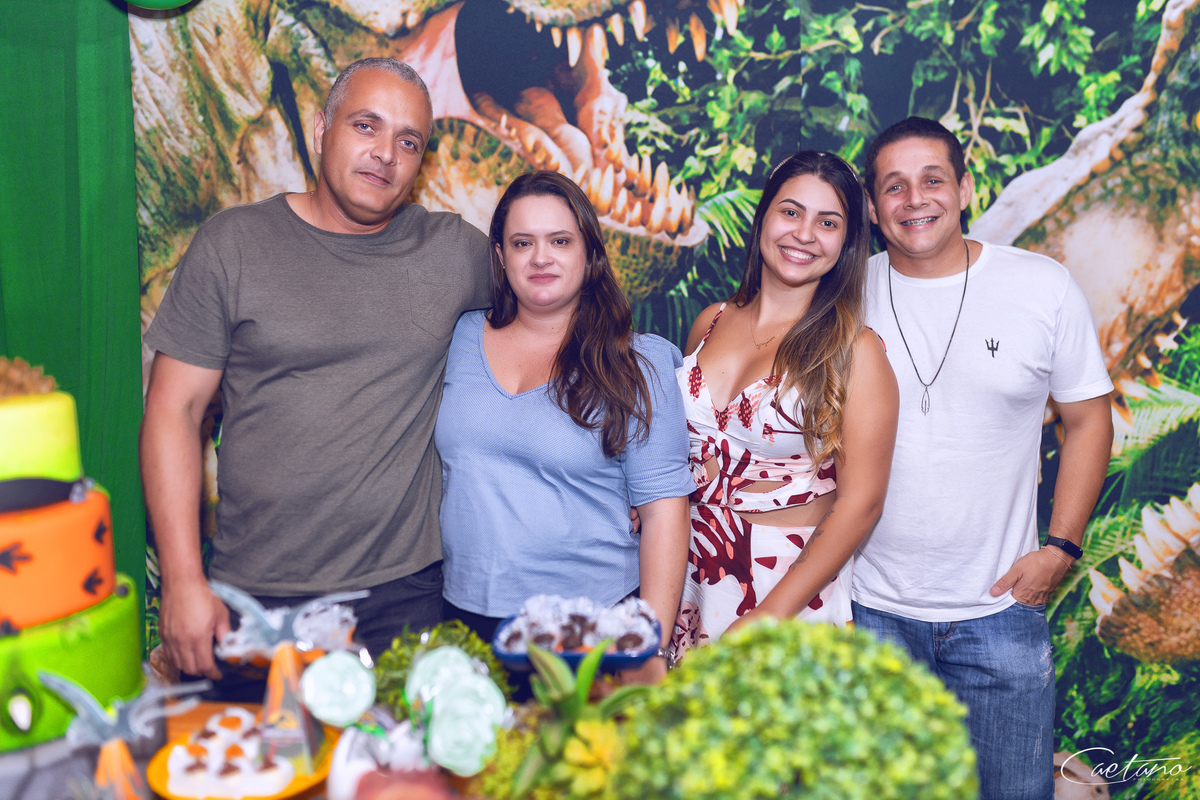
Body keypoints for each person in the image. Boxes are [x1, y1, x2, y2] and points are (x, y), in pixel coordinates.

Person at [139, 58, 491, 689]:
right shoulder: (233, 244)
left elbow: (556, 324)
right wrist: (183, 581)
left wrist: (621, 464)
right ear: (322, 128)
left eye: (409, 141)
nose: (385, 154)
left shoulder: (454, 251)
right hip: (254, 598)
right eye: (366, 125)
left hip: (403, 595)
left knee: (404, 756)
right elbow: (174, 411)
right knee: (259, 757)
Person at [852, 117, 1115, 800]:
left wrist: (1062, 547)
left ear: (965, 188)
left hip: (999, 612)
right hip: (867, 611)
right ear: (873, 207)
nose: (915, 199)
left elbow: (1089, 419)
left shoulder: (1040, 285)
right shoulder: (842, 294)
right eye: (894, 186)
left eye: (932, 180)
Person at [435, 171, 693, 683]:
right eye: (522, 243)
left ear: (589, 253)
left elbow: (665, 514)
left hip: (591, 629)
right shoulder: (457, 336)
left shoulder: (636, 364)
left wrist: (647, 647)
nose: (540, 257)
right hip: (464, 615)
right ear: (500, 256)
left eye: (560, 241)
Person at [671, 151, 899, 658]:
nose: (804, 234)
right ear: (763, 219)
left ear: (846, 243)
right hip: (687, 577)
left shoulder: (855, 351)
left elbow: (862, 504)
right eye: (791, 212)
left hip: (783, 594)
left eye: (828, 222)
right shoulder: (710, 321)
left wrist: (762, 622)